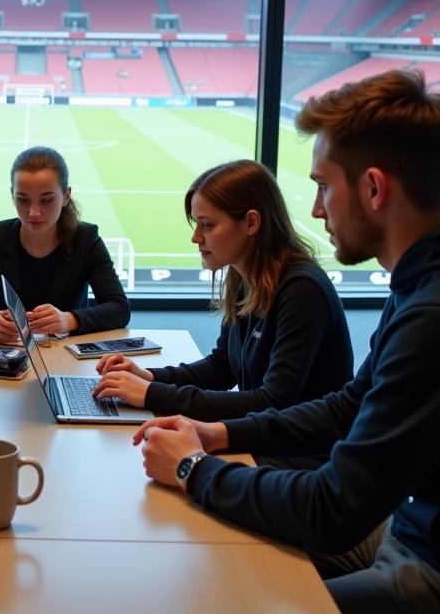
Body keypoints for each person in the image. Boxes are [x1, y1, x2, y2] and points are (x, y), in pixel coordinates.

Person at [134, 69, 440, 614]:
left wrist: (193, 468)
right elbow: (350, 404)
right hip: (420, 537)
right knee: (223, 564)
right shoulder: (433, 282)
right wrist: (219, 436)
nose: (316, 209)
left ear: (374, 188)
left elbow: (332, 508)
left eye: (323, 187)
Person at [92, 159, 352, 430]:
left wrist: (151, 394)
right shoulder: (243, 275)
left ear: (251, 223)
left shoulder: (303, 290)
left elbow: (272, 402)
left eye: (207, 224)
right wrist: (148, 377)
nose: (196, 237)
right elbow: (223, 366)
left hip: (306, 454)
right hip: (268, 438)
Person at [0, 146, 130, 342]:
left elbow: (119, 308)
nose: (34, 212)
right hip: (0, 355)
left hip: (65, 356)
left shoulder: (86, 239)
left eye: (46, 200)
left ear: (66, 196)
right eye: (23, 200)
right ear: (12, 195)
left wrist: (68, 320)